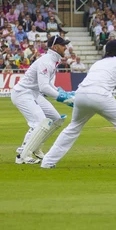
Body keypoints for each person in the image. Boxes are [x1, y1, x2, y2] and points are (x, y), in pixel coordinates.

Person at [41, 40, 116, 169]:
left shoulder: (98, 63)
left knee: (73, 128)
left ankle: (47, 162)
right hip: (100, 96)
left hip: (81, 95)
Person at [11, 36, 75, 164]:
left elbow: (49, 85)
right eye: (63, 45)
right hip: (22, 93)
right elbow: (44, 87)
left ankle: (35, 147)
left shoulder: (53, 61)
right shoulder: (46, 61)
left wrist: (64, 94)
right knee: (39, 122)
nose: (65, 47)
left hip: (34, 93)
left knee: (56, 119)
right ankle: (23, 155)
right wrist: (62, 98)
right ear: (55, 47)